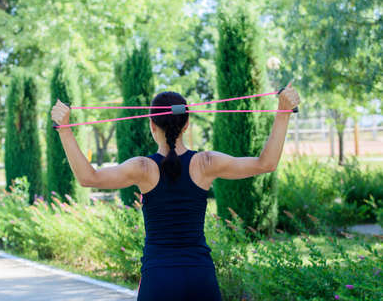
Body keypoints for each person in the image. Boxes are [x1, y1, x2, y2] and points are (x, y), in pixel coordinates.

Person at [51, 86, 300, 301]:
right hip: (199, 276)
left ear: (152, 125)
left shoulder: (143, 168)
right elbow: (265, 163)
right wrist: (283, 112)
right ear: (187, 124)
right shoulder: (206, 163)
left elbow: (88, 178)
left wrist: (64, 129)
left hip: (159, 279)